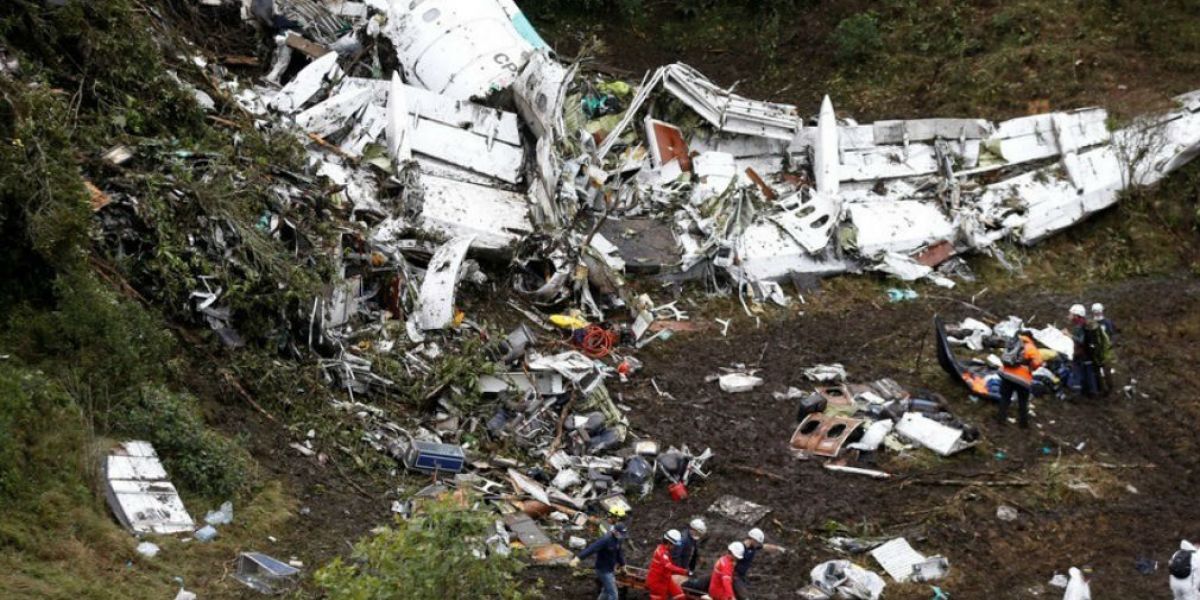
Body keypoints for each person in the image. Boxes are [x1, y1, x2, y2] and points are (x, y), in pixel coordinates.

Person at [570, 522, 627, 600]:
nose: (622, 536)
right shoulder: (605, 540)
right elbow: (591, 549)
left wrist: (623, 565)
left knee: (606, 591)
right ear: (615, 531)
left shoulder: (618, 540)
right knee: (614, 595)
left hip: (610, 570)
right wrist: (578, 558)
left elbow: (619, 553)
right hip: (603, 570)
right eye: (621, 534)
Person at [996, 333, 1040, 428]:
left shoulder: (1013, 343)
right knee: (1023, 402)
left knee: (1005, 398)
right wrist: (1031, 367)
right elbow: (1038, 362)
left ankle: (1000, 419)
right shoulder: (1031, 347)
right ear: (1031, 338)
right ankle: (1023, 424)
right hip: (1022, 380)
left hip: (1007, 375)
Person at [1068, 304, 1102, 397]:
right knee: (1089, 372)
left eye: (1071, 314)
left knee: (1077, 371)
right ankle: (1093, 391)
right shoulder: (1086, 325)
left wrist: (1069, 335)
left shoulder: (1080, 327)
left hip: (1082, 354)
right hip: (1089, 353)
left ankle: (1076, 392)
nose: (1069, 316)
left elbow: (1081, 341)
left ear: (1076, 315)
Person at [646, 529, 689, 600]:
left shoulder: (665, 551)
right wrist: (684, 571)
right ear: (669, 543)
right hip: (657, 582)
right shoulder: (661, 552)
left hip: (666, 578)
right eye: (674, 545)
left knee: (680, 596)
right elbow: (668, 566)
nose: (674, 547)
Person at [672, 518, 707, 591]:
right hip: (678, 567)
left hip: (685, 564)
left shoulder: (692, 539)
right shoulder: (683, 539)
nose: (698, 535)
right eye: (697, 533)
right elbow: (675, 556)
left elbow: (694, 553)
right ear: (693, 530)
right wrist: (679, 571)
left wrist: (691, 569)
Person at [733, 528, 766, 599]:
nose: (758, 544)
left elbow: (765, 546)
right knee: (744, 596)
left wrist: (779, 549)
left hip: (742, 576)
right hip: (735, 576)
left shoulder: (753, 547)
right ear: (752, 539)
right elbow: (731, 562)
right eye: (757, 542)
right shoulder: (739, 549)